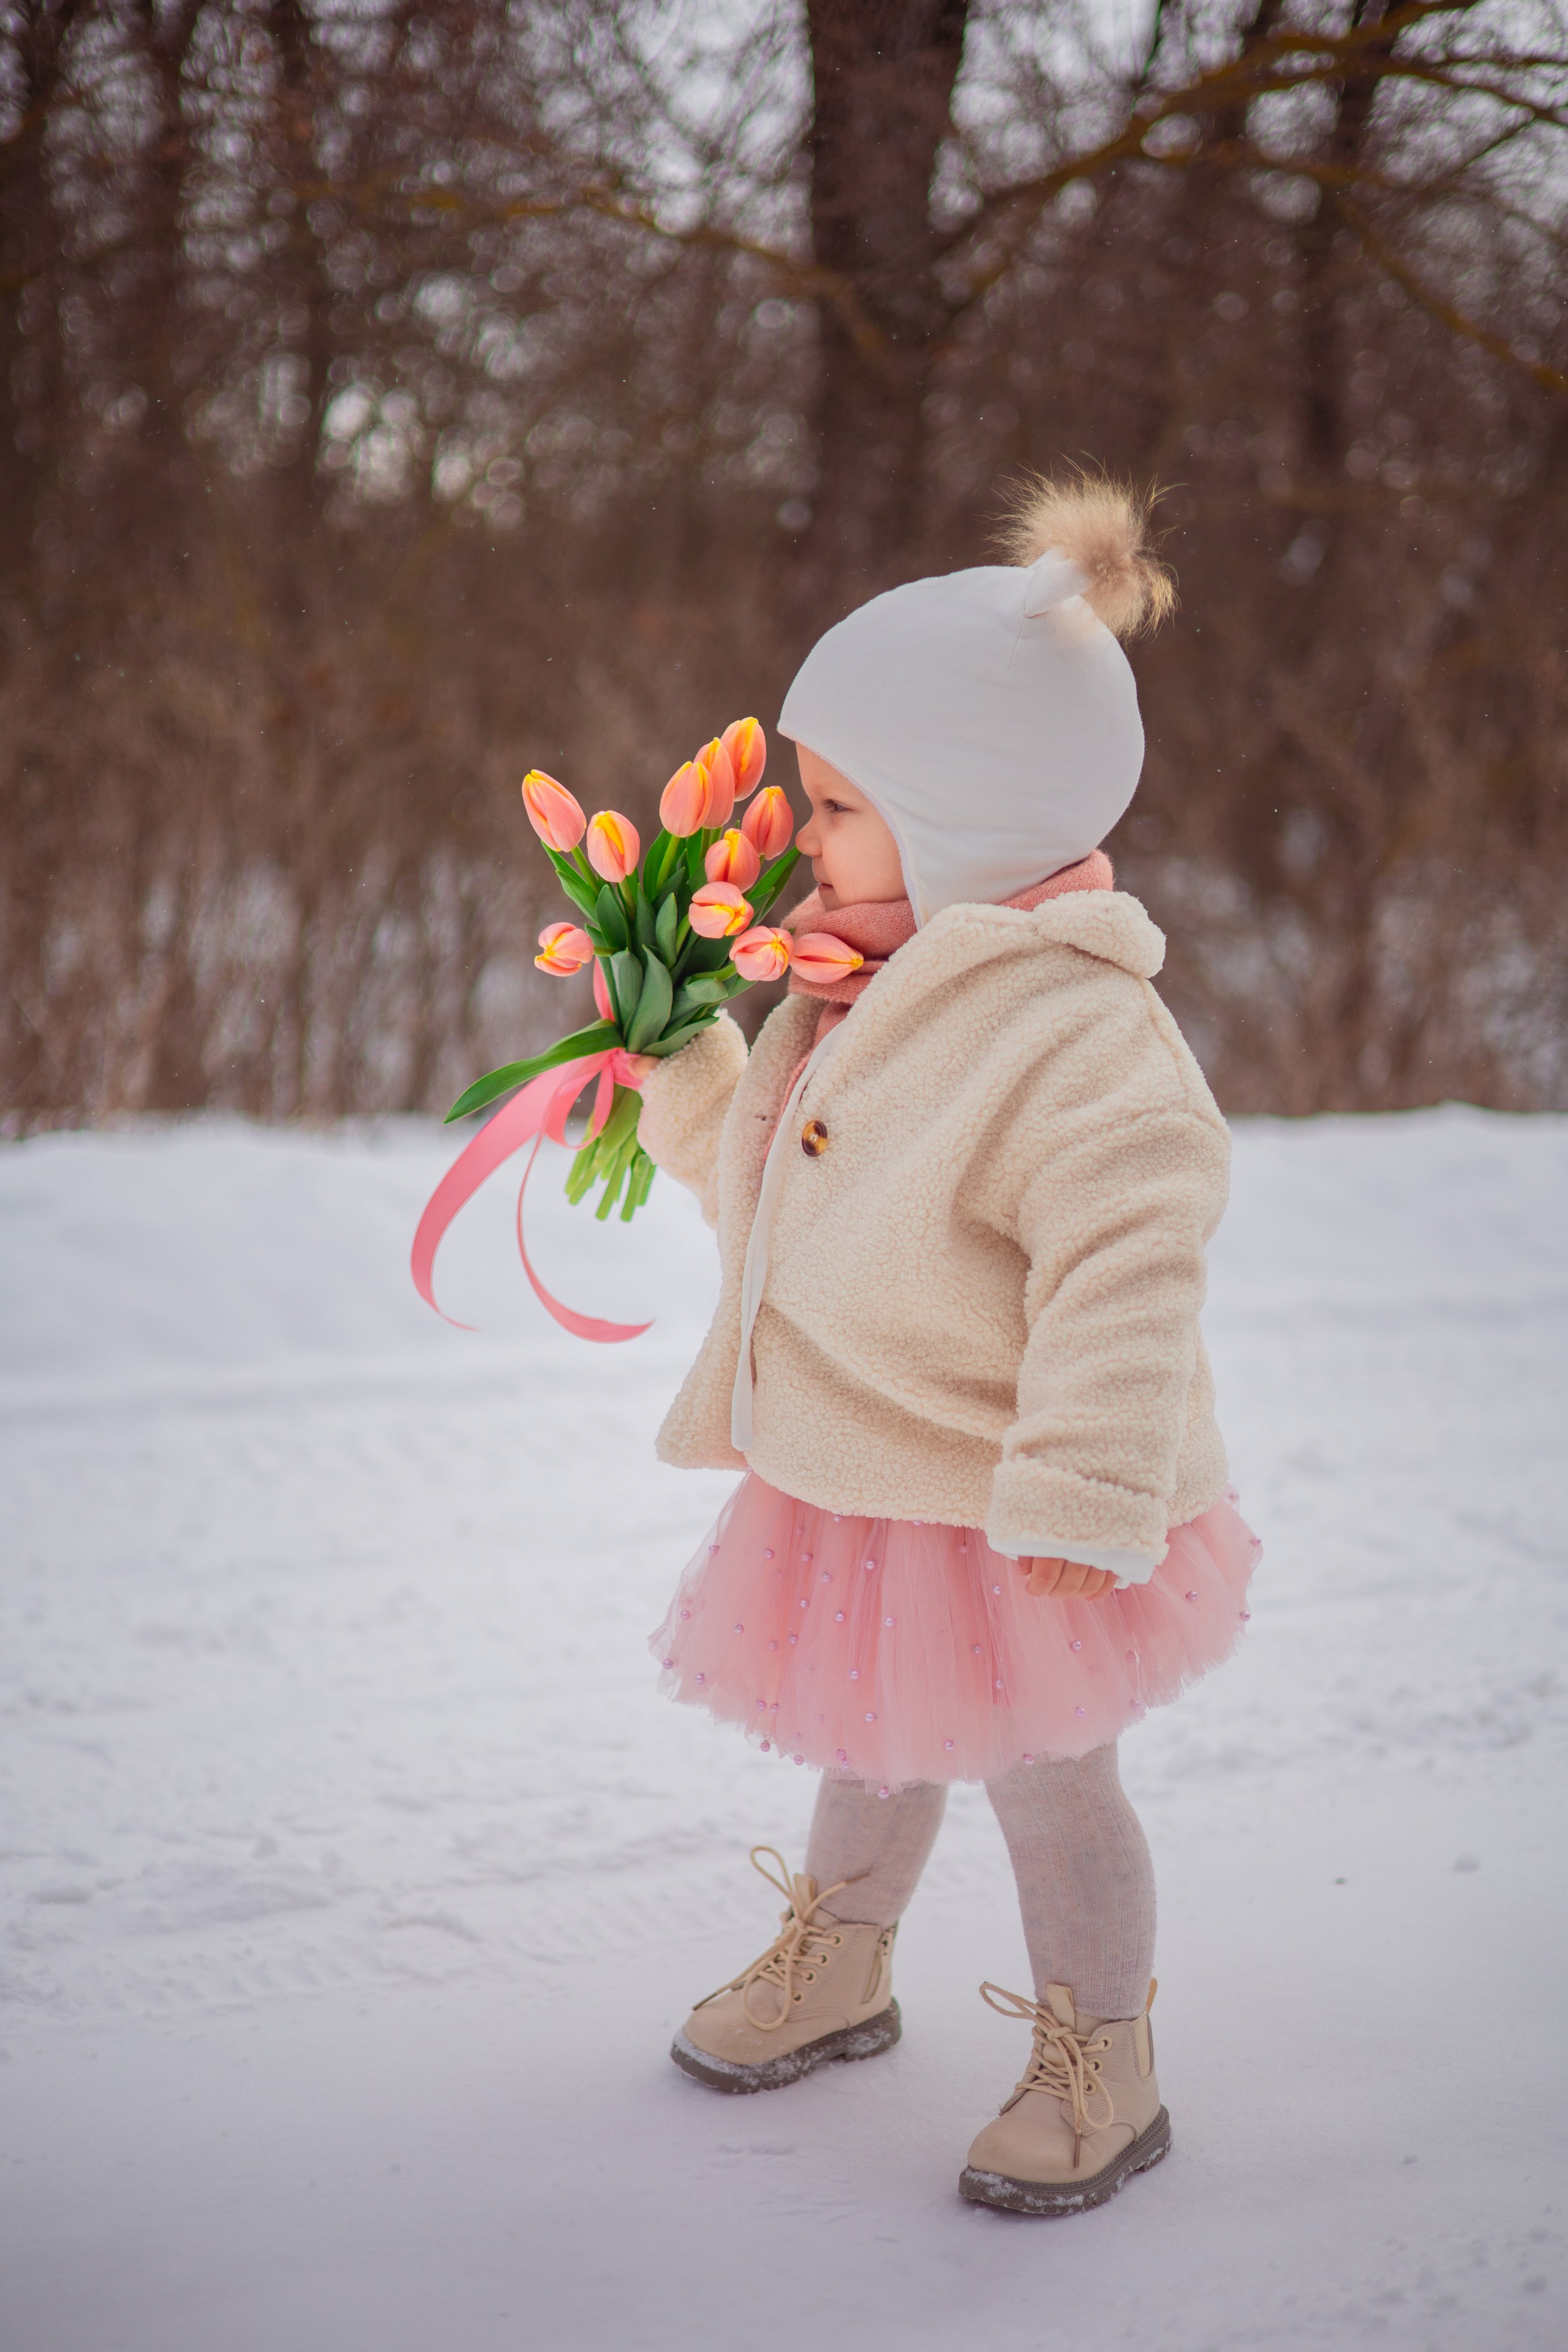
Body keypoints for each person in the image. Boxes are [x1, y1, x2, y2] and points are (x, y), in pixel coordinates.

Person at [635, 478, 1260, 2217]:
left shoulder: (1077, 1038)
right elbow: (768, 1211)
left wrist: (1082, 1491)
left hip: (1017, 1500)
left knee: (1051, 1791)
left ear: (963, 817)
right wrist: (680, 1069)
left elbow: (1134, 1272)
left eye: (837, 806)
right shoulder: (843, 986)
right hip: (862, 1474)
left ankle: (1102, 2057)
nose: (800, 838)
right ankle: (842, 1962)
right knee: (873, 1728)